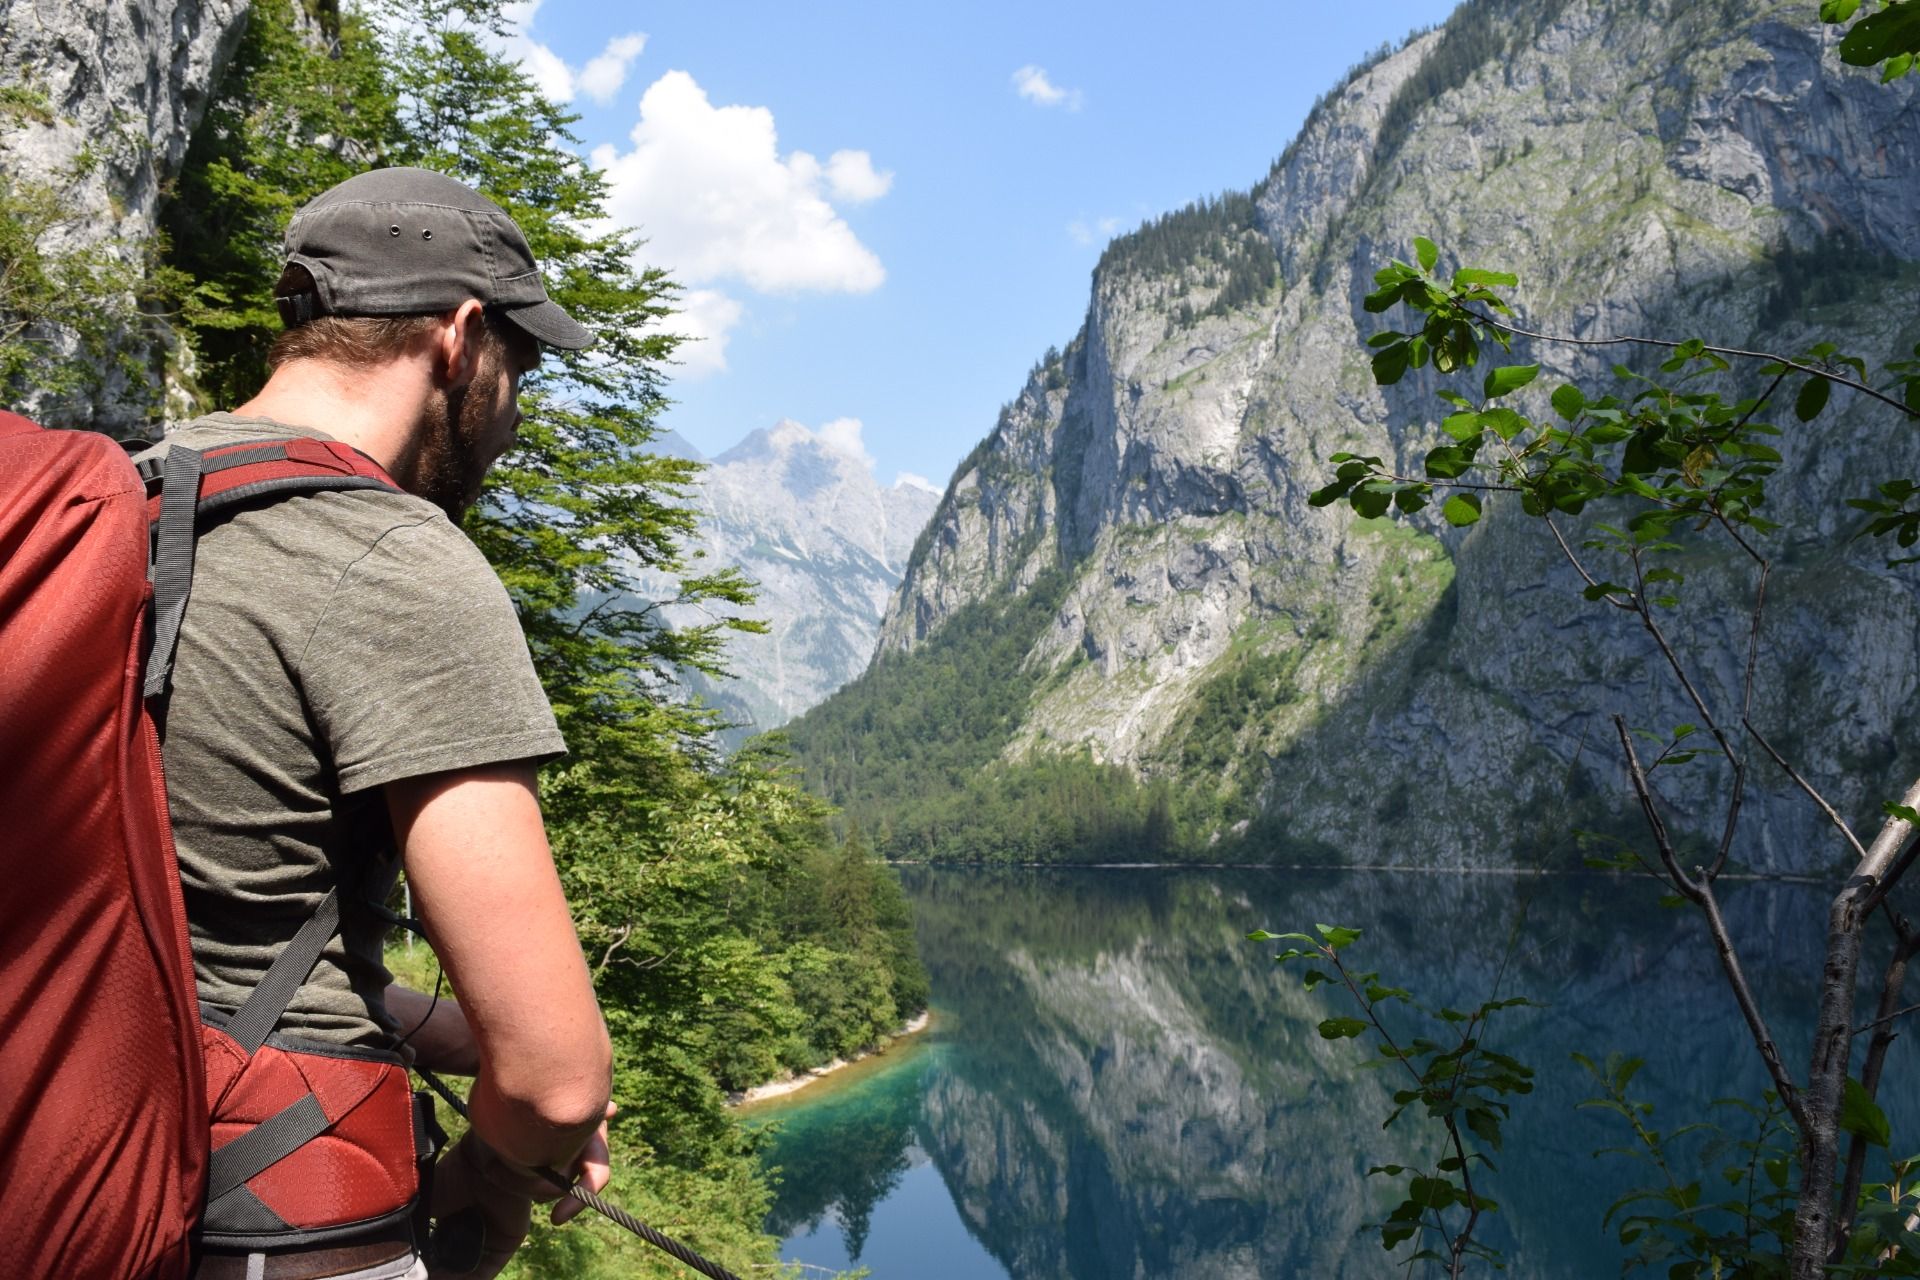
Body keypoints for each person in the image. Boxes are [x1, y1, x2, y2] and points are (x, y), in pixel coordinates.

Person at [137, 167, 614, 1280]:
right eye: (521, 365)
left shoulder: (129, 497)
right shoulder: (392, 555)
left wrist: (449, 1030)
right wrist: (490, 1192)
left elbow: (205, 921)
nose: (514, 408)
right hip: (278, 1216)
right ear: (461, 338)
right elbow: (555, 1076)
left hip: (82, 1164)